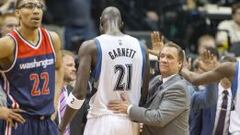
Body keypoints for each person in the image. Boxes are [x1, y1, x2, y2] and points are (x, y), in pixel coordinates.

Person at [58, 6, 149, 135]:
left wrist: (62, 126)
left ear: (101, 22)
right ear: (121, 23)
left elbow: (79, 93)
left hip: (101, 119)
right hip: (130, 120)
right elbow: (144, 93)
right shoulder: (142, 47)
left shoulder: (91, 46)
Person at [0, 0, 63, 134]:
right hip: (20, 121)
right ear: (18, 13)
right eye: (29, 6)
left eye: (39, 6)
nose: (36, 10)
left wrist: (56, 100)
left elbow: (58, 68)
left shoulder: (53, 38)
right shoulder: (8, 44)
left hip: (47, 122)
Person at [108, 42, 191, 135]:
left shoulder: (178, 88)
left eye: (169, 57)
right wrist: (130, 102)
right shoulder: (157, 79)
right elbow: (146, 107)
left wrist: (129, 108)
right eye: (162, 56)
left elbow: (159, 118)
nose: (164, 60)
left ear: (180, 63)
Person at [181, 52, 240, 134]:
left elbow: (195, 79)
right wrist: (181, 67)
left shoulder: (234, 95)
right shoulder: (210, 91)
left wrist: (181, 67)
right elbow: (196, 122)